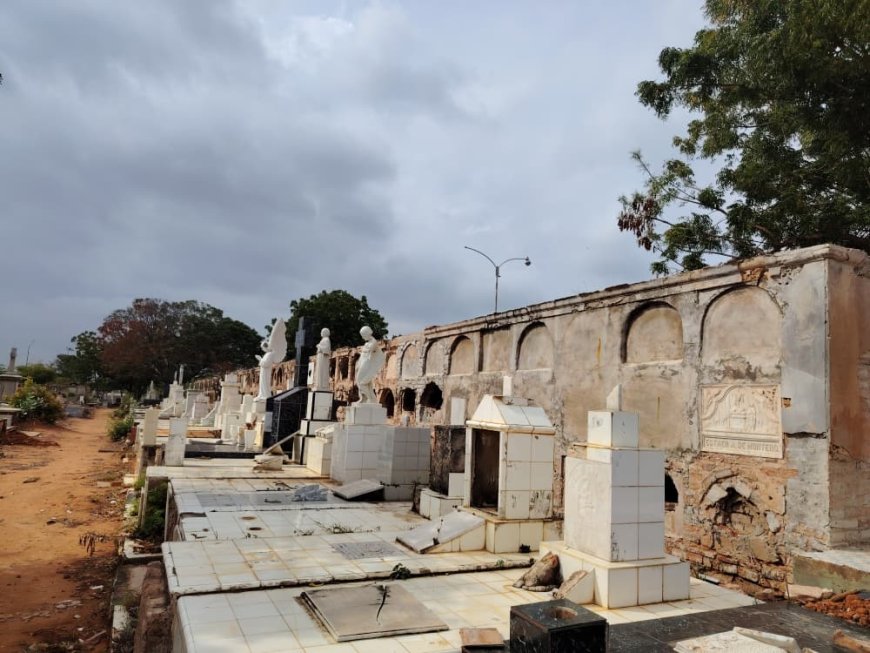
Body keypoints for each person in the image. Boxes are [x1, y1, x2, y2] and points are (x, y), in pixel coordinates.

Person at [354, 325, 385, 404]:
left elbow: (369, 353)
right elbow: (363, 355)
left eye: (363, 335)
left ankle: (369, 398)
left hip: (367, 364)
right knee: (364, 382)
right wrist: (358, 364)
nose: (362, 338)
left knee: (361, 381)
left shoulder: (373, 342)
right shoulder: (368, 343)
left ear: (367, 333)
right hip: (363, 363)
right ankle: (364, 398)